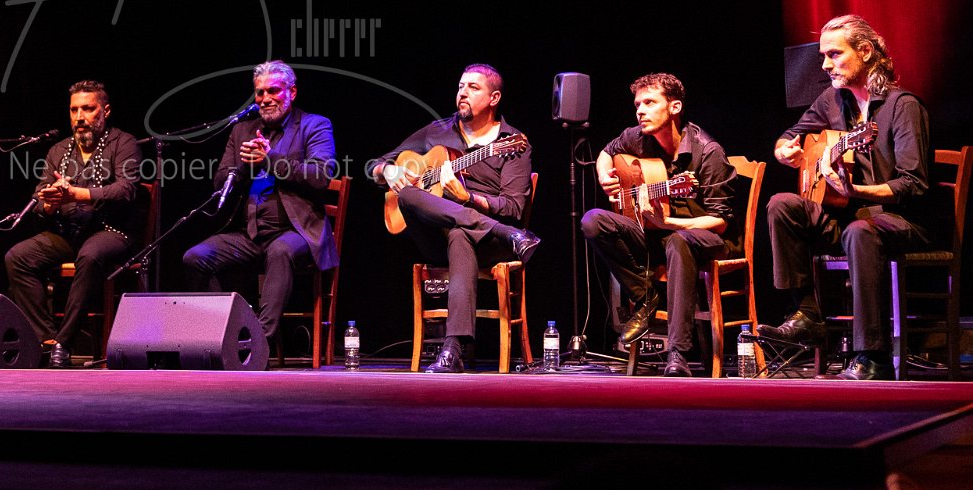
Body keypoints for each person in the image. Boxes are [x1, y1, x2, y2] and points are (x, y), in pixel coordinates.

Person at [756, 14, 936, 380]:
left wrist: (857, 191)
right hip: (850, 217)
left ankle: (873, 357)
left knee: (860, 231)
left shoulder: (903, 107)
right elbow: (792, 134)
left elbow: (913, 184)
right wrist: (783, 150)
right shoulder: (832, 100)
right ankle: (807, 314)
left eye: (834, 54)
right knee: (781, 204)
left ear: (865, 51)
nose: (825, 65)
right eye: (823, 56)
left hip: (902, 220)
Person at [367, 63, 538, 374]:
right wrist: (388, 170)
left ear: (494, 98)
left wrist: (467, 198)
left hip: (490, 244)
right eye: (461, 86)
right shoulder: (437, 131)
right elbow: (374, 165)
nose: (463, 93)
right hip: (440, 238)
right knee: (407, 195)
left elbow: (513, 208)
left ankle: (453, 350)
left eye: (473, 87)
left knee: (460, 233)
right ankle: (508, 234)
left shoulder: (512, 142)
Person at [580, 73, 736, 378]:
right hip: (656, 234)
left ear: (675, 107)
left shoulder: (708, 152)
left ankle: (678, 352)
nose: (640, 111)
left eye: (650, 103)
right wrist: (605, 176)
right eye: (638, 104)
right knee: (593, 221)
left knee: (679, 241)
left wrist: (668, 222)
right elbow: (606, 153)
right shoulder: (637, 137)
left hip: (705, 240)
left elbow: (720, 221)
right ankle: (645, 296)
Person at [183, 60, 339, 358]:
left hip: (297, 232)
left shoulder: (314, 125)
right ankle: (224, 336)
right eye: (259, 92)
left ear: (292, 92)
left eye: (273, 91)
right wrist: (243, 167)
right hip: (249, 235)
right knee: (196, 257)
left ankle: (258, 346)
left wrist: (270, 159)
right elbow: (220, 184)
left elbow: (320, 176)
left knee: (280, 251)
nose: (265, 98)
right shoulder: (242, 130)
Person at [4, 80, 145, 367]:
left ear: (105, 111)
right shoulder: (59, 150)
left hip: (111, 231)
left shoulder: (124, 143)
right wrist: (49, 202)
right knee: (18, 257)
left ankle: (64, 343)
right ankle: (46, 340)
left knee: (90, 255)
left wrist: (77, 194)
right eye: (74, 110)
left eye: (88, 109)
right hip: (69, 233)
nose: (80, 117)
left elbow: (126, 189)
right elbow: (39, 198)